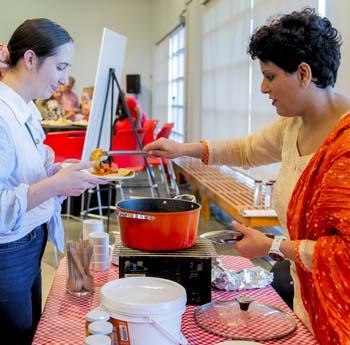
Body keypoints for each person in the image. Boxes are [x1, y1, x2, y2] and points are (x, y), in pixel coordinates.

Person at [144, 8, 350, 344]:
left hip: (339, 309)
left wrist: (272, 245)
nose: (262, 88)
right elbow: (245, 150)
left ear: (303, 73)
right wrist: (182, 149)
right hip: (307, 294)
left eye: (270, 76)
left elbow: (344, 253)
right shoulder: (294, 125)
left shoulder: (344, 147)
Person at [0, 18, 106, 344]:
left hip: (32, 239)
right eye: (60, 67)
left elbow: (23, 175)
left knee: (31, 331)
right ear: (30, 59)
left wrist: (58, 172)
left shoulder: (25, 109)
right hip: (9, 253)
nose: (64, 79)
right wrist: (57, 185)